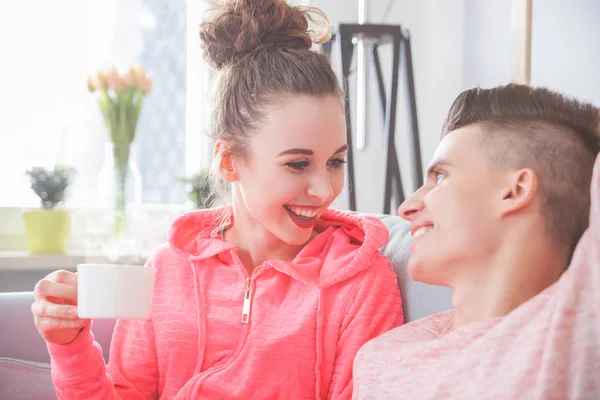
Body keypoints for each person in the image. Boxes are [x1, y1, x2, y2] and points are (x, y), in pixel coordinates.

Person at [31, 1, 403, 399]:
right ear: (229, 162)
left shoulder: (361, 283)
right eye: (298, 164)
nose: (325, 189)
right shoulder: (168, 270)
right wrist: (69, 345)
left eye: (335, 161)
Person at [353, 83, 600, 399]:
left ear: (515, 190)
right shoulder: (382, 358)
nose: (407, 207)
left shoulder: (571, 331)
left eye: (441, 176)